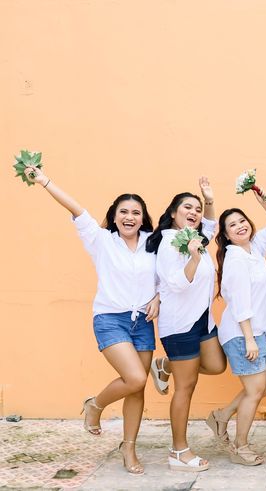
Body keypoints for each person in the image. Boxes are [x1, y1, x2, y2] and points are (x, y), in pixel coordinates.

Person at [23, 165, 158, 475]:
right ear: (114, 216)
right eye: (123, 211)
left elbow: (165, 275)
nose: (130, 216)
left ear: (143, 217)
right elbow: (75, 207)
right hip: (111, 318)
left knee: (137, 389)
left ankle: (129, 448)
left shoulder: (154, 242)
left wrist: (158, 297)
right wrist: (45, 181)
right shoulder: (100, 239)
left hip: (143, 322)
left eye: (136, 212)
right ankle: (95, 405)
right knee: (135, 378)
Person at [146, 178, 226, 472]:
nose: (193, 212)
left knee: (217, 365)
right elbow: (177, 284)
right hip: (179, 324)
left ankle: (166, 365)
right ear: (173, 213)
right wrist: (193, 257)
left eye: (196, 208)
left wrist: (209, 199)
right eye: (187, 207)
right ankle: (178, 451)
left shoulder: (196, 236)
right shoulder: (170, 241)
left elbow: (212, 226)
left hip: (203, 318)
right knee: (186, 386)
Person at [209, 187, 266, 466]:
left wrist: (264, 201)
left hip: (260, 330)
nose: (239, 226)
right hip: (242, 333)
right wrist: (249, 339)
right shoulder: (235, 258)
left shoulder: (255, 247)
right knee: (255, 390)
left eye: (242, 221)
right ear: (226, 235)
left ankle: (222, 415)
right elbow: (240, 301)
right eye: (232, 225)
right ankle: (240, 446)